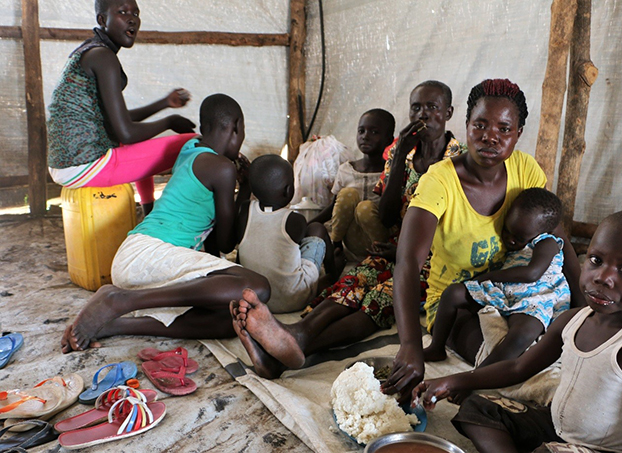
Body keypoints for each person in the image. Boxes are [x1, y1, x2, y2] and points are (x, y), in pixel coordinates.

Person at [230, 80, 465, 378]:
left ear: (448, 113)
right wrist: (401, 154)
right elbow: (389, 213)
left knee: (380, 298)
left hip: (433, 258)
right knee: (354, 281)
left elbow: (457, 224)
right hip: (398, 244)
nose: (424, 114)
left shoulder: (460, 159)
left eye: (432, 107)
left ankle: (293, 349)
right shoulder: (401, 152)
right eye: (417, 107)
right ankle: (297, 332)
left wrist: (404, 250)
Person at [382, 79, 584, 404]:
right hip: (459, 304)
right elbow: (407, 262)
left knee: (549, 344)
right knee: (498, 361)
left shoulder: (526, 170)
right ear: (466, 126)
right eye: (480, 125)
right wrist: (409, 344)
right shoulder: (440, 180)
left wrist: (583, 308)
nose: (491, 136)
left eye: (504, 129)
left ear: (518, 134)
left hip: (518, 294)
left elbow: (560, 241)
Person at [412, 209, 622, 453]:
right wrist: (454, 381)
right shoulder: (572, 320)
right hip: (559, 427)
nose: (603, 277)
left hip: (604, 450)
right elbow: (518, 368)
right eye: (596, 260)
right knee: (477, 408)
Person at [60, 94, 269, 353]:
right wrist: (246, 187)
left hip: (139, 259)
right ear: (237, 127)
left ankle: (113, 325)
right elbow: (227, 242)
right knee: (257, 287)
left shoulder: (190, 149)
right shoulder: (222, 168)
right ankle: (120, 300)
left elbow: (214, 244)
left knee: (234, 318)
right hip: (150, 255)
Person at [47, 0, 196, 215]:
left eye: (136, 13)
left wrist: (164, 103)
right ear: (102, 20)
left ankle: (148, 213)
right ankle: (168, 219)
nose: (132, 18)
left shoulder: (91, 52)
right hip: (85, 164)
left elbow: (118, 119)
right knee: (195, 143)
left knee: (140, 145)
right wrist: (169, 122)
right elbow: (126, 133)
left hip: (66, 164)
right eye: (122, 12)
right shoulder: (103, 57)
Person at [423, 188, 570, 364]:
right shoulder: (516, 238)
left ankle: (478, 377)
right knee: (452, 293)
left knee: (523, 334)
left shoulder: (547, 242)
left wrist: (488, 277)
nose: (510, 240)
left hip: (535, 298)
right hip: (505, 291)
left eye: (519, 238)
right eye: (507, 231)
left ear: (543, 231)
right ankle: (436, 348)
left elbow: (532, 273)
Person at [236, 154, 340, 314]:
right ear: (289, 190)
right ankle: (333, 273)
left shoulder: (245, 212)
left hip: (257, 298)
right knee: (318, 229)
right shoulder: (294, 219)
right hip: (295, 298)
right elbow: (304, 238)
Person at [308, 109, 396, 259]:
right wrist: (308, 224)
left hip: (380, 240)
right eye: (361, 131)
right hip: (353, 240)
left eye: (374, 132)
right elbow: (335, 206)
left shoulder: (392, 171)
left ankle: (379, 256)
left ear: (389, 139)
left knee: (365, 208)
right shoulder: (346, 169)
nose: (365, 137)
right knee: (347, 195)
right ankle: (336, 246)